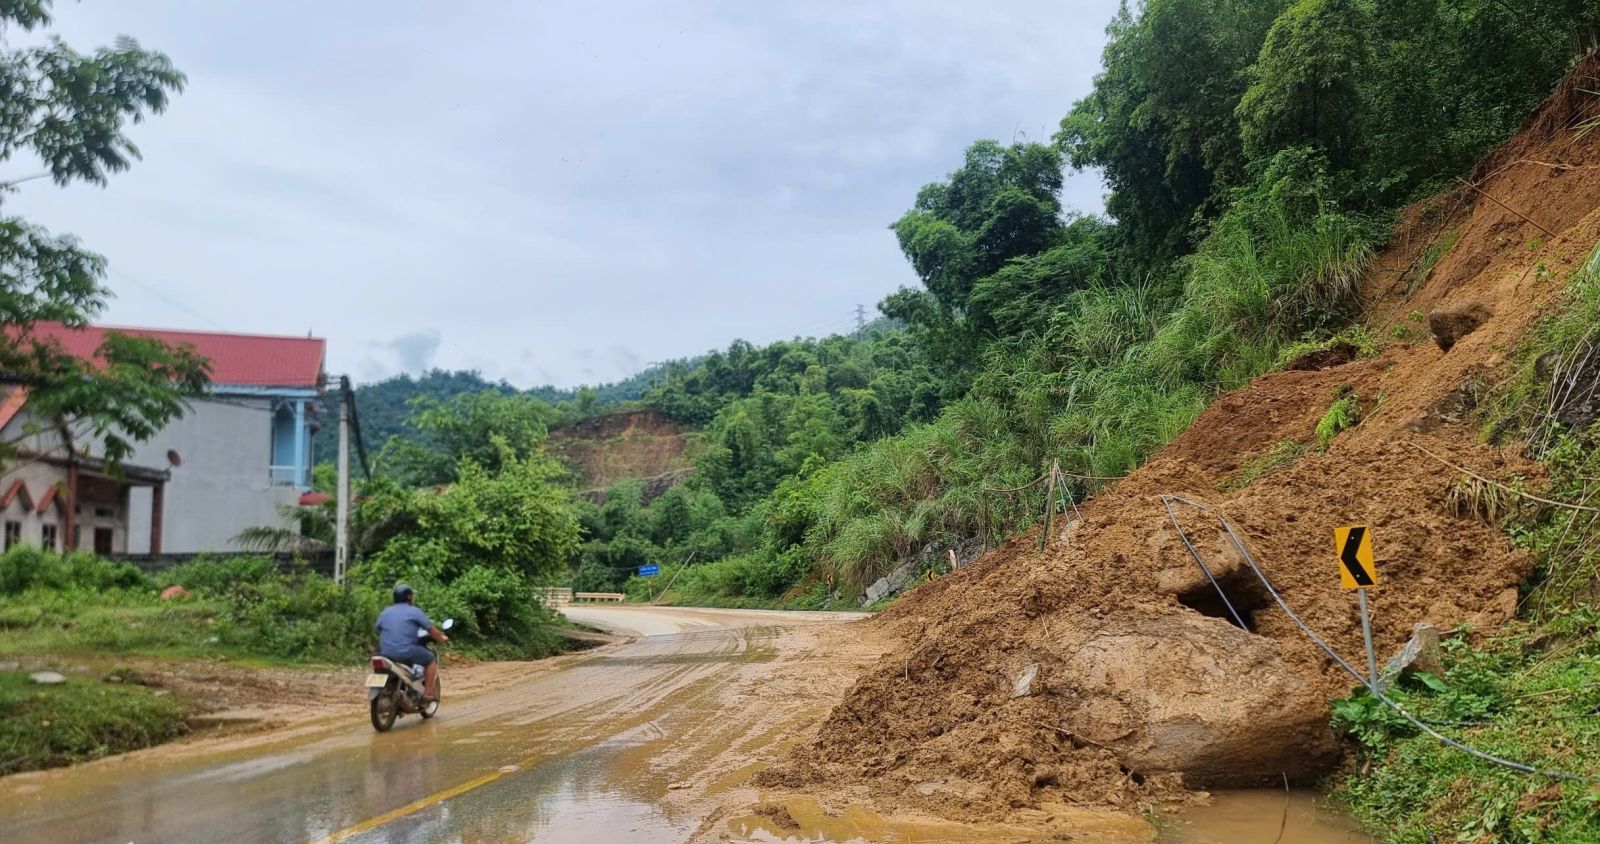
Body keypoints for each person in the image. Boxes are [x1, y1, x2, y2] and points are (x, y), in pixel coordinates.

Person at [376, 583, 448, 703]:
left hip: (386, 652)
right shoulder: (414, 612)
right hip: (406, 651)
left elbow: (378, 627)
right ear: (409, 597)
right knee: (430, 659)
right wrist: (441, 638)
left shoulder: (385, 612)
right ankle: (428, 692)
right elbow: (431, 630)